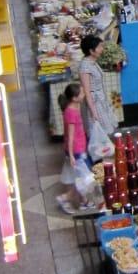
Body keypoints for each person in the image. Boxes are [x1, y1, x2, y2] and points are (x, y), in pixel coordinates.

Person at [56, 83, 98, 214]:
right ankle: (65, 198)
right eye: (82, 93)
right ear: (74, 98)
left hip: (78, 149)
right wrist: (71, 155)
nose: (84, 94)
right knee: (85, 179)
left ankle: (83, 201)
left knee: (78, 176)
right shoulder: (71, 112)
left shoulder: (75, 107)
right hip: (76, 151)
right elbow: (71, 135)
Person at [77, 34, 118, 150]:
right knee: (99, 131)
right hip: (94, 103)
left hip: (100, 100)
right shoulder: (85, 66)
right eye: (99, 47)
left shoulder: (92, 62)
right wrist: (93, 111)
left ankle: (104, 153)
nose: (102, 49)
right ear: (91, 51)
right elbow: (87, 91)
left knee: (103, 132)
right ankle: (100, 155)